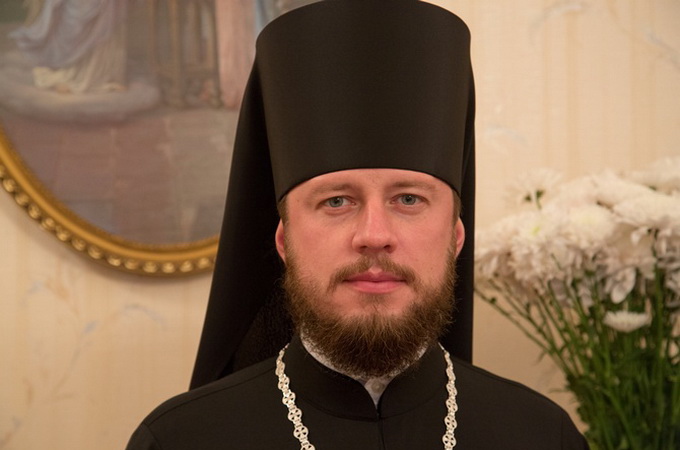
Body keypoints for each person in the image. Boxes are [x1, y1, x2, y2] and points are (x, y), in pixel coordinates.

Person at [126, 1, 589, 448]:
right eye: (336, 201)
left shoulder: (543, 436)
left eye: (408, 199)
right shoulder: (179, 441)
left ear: (455, 236)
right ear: (284, 240)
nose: (374, 235)